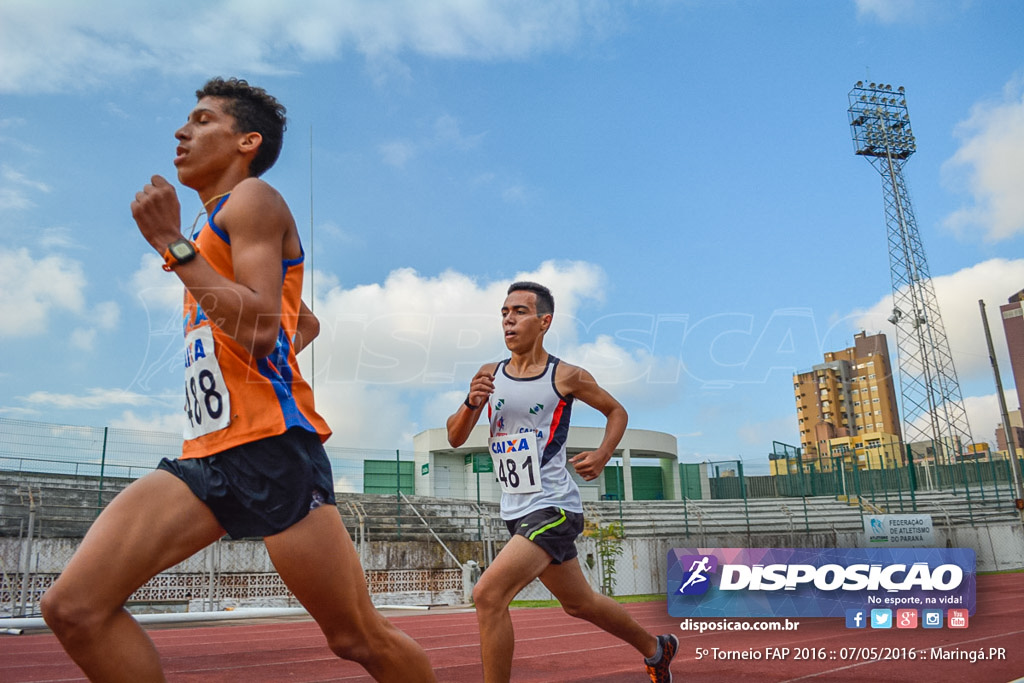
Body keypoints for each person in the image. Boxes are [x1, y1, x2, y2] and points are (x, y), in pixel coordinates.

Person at [40, 77, 436, 683]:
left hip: (272, 450)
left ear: (247, 141)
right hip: (208, 455)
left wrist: (171, 244)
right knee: (73, 608)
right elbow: (295, 322)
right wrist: (279, 336)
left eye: (202, 120)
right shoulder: (211, 230)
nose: (181, 131)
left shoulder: (253, 201)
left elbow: (254, 330)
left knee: (357, 638)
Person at [445, 281, 678, 683]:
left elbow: (616, 411)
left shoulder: (565, 375)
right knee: (580, 603)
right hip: (515, 508)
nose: (508, 319)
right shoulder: (488, 374)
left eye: (518, 311)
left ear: (544, 321)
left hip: (553, 506)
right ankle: (657, 649)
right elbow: (454, 437)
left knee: (488, 595)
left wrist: (604, 454)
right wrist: (471, 402)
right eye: (504, 312)